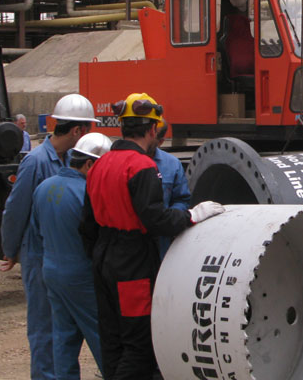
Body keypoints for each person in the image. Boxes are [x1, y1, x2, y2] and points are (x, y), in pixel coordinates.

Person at [79, 92, 224, 379]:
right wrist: (192, 215)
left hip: (103, 259)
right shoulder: (142, 166)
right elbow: (155, 219)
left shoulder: (99, 165)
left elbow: (86, 225)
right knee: (139, 346)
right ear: (152, 129)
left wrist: (100, 257)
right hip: (132, 263)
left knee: (112, 341)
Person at [0, 94, 99, 380]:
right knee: (44, 328)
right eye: (87, 129)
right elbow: (15, 208)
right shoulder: (36, 161)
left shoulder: (69, 160)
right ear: (78, 130)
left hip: (62, 256)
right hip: (39, 255)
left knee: (64, 330)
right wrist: (10, 249)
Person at [31, 132, 112, 379]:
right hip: (81, 275)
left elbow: (36, 231)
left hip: (52, 271)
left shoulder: (43, 188)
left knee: (64, 338)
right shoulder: (87, 192)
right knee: (102, 335)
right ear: (89, 164)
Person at [152, 121, 191, 259]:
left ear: (160, 142)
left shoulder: (172, 165)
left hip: (162, 243)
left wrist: (169, 218)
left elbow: (182, 199)